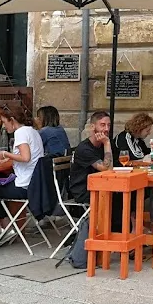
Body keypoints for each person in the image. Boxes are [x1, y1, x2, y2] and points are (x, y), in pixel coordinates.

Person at [65, 111, 113, 269]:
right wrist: (107, 144)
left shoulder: (103, 144)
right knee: (118, 200)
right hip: (83, 191)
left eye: (108, 125)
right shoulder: (84, 149)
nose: (106, 129)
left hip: (101, 188)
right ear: (93, 127)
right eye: (102, 125)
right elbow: (106, 169)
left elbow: (111, 168)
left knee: (128, 197)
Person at [0, 106, 45, 245]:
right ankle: (8, 227)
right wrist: (9, 159)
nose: (3, 126)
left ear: (12, 120)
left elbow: (26, 157)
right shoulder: (32, 131)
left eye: (4, 122)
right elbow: (29, 156)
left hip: (25, 185)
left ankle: (0, 228)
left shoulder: (20, 132)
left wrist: (5, 154)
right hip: (34, 183)